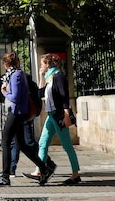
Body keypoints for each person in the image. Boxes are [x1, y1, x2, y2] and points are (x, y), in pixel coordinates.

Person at [0, 51, 54, 187]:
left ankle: (5, 177)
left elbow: (15, 97)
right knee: (22, 145)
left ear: (5, 64)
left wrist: (4, 92)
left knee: (5, 143)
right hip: (18, 112)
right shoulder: (16, 74)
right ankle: (44, 168)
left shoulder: (16, 76)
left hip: (17, 113)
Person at [24, 52, 81, 185]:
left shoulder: (59, 76)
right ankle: (39, 171)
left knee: (67, 146)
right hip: (51, 115)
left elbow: (64, 97)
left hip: (59, 115)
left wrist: (66, 115)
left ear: (48, 64)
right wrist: (40, 76)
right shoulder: (49, 78)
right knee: (42, 143)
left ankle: (75, 174)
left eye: (42, 64)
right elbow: (39, 93)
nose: (40, 66)